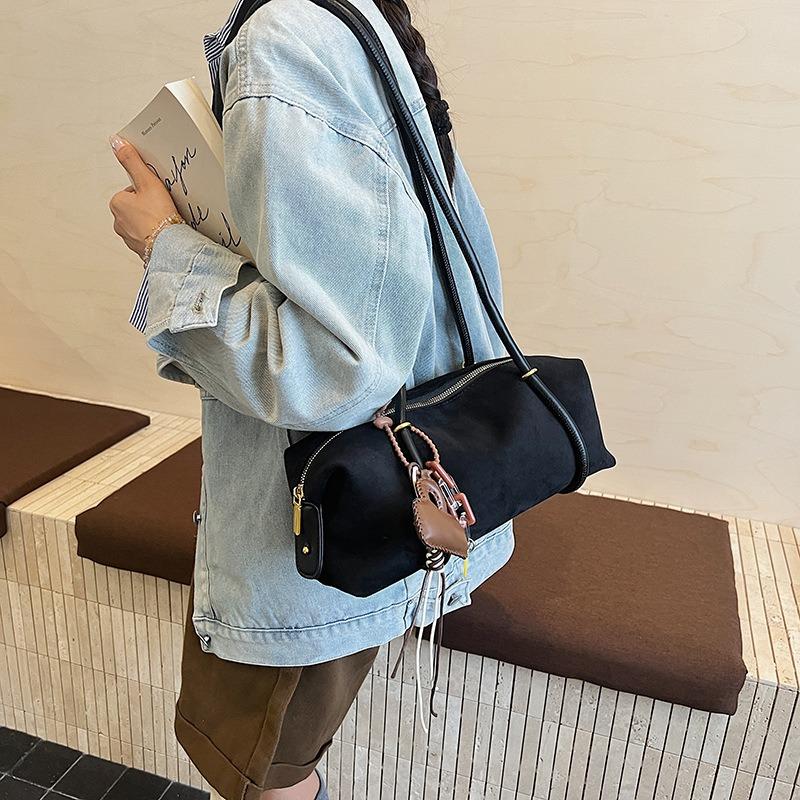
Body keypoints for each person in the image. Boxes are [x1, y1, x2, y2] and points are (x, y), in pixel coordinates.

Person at [107, 0, 515, 797]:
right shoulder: (346, 19)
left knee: (265, 776)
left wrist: (163, 246)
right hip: (399, 479)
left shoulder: (283, 43)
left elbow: (333, 368)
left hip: (310, 519)